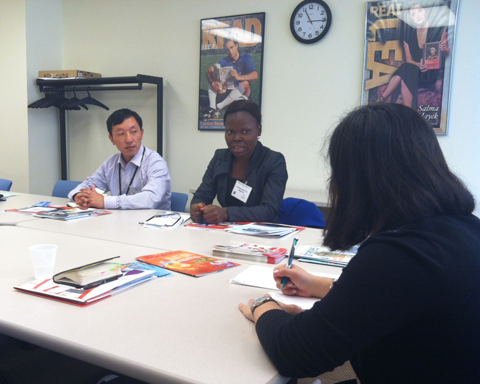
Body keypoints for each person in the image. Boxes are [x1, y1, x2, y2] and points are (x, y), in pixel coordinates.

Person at [239, 103, 480, 383]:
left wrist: (263, 305)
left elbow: (294, 354)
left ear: (356, 179)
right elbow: (395, 298)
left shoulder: (399, 255)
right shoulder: (462, 229)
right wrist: (317, 285)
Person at [191, 100, 287, 224]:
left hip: (261, 233)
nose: (236, 138)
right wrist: (197, 207)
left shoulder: (273, 161)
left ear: (259, 130)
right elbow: (202, 194)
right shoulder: (220, 157)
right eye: (230, 132)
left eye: (245, 131)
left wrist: (226, 213)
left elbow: (268, 210)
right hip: (224, 232)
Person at [68, 108, 171, 210]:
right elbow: (89, 184)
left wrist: (104, 201)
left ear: (142, 133)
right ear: (112, 139)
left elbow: (151, 199)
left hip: (151, 224)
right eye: (121, 134)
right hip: (118, 221)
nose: (129, 139)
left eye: (134, 131)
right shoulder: (111, 163)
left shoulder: (156, 163)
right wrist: (79, 195)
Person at [377, 3, 449, 107]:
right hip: (414, 70)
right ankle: (408, 111)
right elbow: (409, 60)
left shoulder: (438, 30)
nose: (417, 15)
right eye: (413, 14)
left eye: (420, 11)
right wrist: (418, 65)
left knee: (406, 71)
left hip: (430, 73)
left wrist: (444, 49)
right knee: (407, 70)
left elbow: (448, 53)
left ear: (426, 11)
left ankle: (382, 98)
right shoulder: (408, 33)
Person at [203, 39, 258, 120]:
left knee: (245, 83)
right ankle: (212, 107)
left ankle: (219, 106)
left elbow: (255, 75)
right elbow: (209, 70)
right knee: (213, 83)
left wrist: (239, 77)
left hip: (241, 93)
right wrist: (212, 82)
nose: (230, 51)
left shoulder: (246, 58)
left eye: (232, 47)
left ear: (237, 46)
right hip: (227, 91)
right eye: (227, 49)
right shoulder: (225, 60)